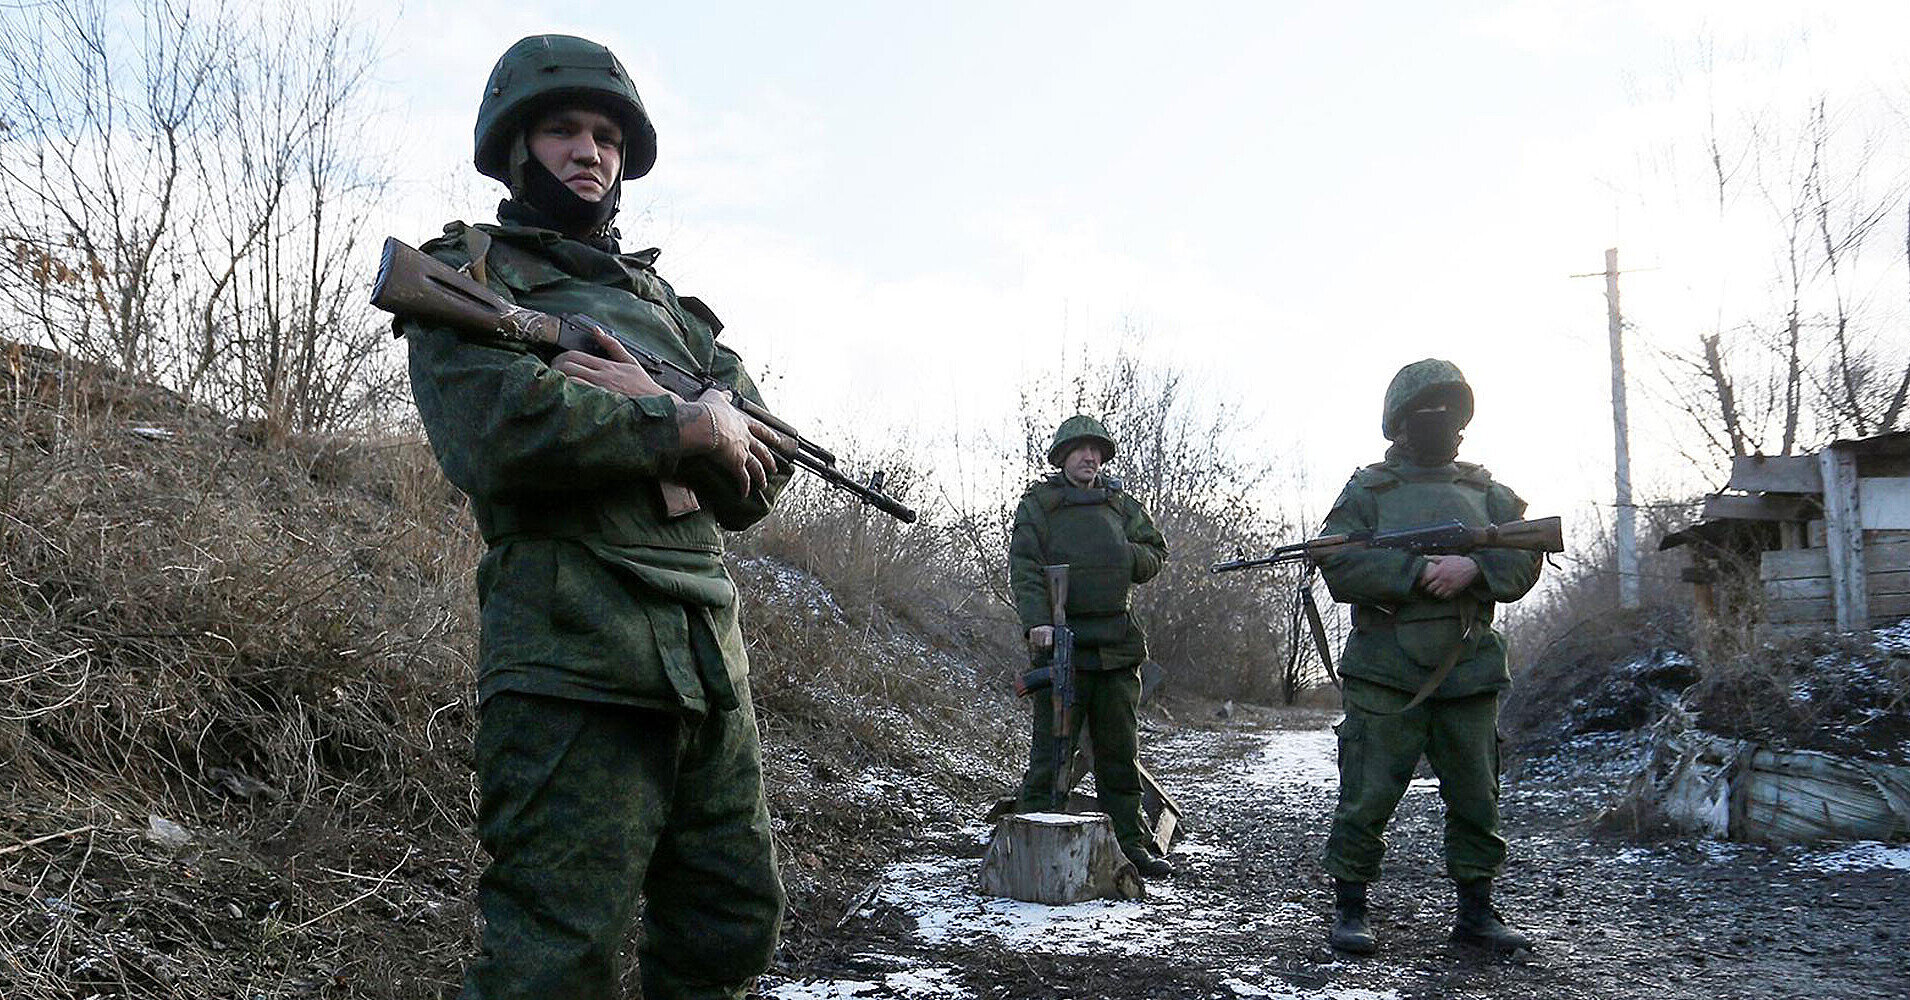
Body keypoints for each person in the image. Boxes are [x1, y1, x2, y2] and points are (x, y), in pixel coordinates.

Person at [397, 34, 788, 1000]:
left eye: (608, 138)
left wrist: (678, 413)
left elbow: (760, 476)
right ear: (514, 146)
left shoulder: (678, 317)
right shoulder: (471, 275)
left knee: (731, 925)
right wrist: (680, 426)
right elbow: (499, 432)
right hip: (572, 657)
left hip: (709, 660)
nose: (590, 153)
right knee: (553, 956)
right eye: (563, 130)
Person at [1314, 359, 1543, 955]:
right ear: (1398, 422)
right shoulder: (1367, 490)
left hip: (1468, 670)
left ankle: (1477, 913)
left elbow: (1526, 556)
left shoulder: (1487, 491)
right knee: (1366, 796)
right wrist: (1414, 572)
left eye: (1447, 409)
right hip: (1385, 672)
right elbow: (1338, 562)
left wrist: (1475, 568)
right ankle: (1350, 908)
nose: (1438, 419)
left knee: (1477, 798)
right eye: (1425, 410)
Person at [1009, 415, 1172, 878]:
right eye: (1080, 449)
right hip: (1062, 646)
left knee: (1119, 754)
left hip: (1117, 648)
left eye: (1096, 450)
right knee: (1051, 754)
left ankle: (1129, 846)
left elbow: (1155, 552)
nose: (1090, 457)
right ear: (1062, 456)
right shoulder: (1040, 505)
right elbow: (1024, 565)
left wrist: (1123, 555)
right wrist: (1037, 622)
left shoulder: (1120, 505)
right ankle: (1032, 845)